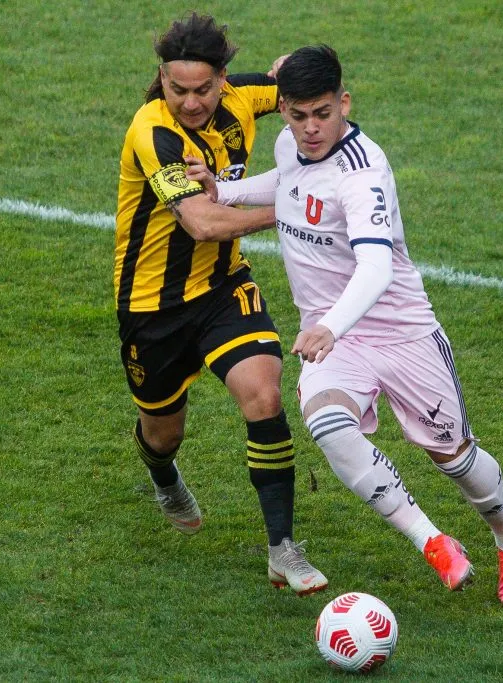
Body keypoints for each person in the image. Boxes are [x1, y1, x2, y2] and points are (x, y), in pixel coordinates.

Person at [186, 45, 503, 604]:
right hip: (338, 340)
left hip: (401, 333)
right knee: (329, 426)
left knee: (455, 459)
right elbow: (288, 182)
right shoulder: (291, 144)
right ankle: (432, 542)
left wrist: (330, 326)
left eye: (323, 114)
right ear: (284, 109)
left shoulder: (363, 175)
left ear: (344, 104)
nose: (310, 128)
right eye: (298, 115)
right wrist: (222, 190)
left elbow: (375, 267)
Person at [113, 13, 327, 596]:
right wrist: (292, 207)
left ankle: (282, 549)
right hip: (152, 308)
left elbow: (306, 90)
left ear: (223, 80)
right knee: (164, 435)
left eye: (203, 89)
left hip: (224, 287)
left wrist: (295, 67)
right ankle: (163, 477)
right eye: (177, 88)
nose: (190, 102)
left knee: (264, 394)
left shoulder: (244, 97)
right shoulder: (153, 133)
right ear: (162, 78)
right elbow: (203, 223)